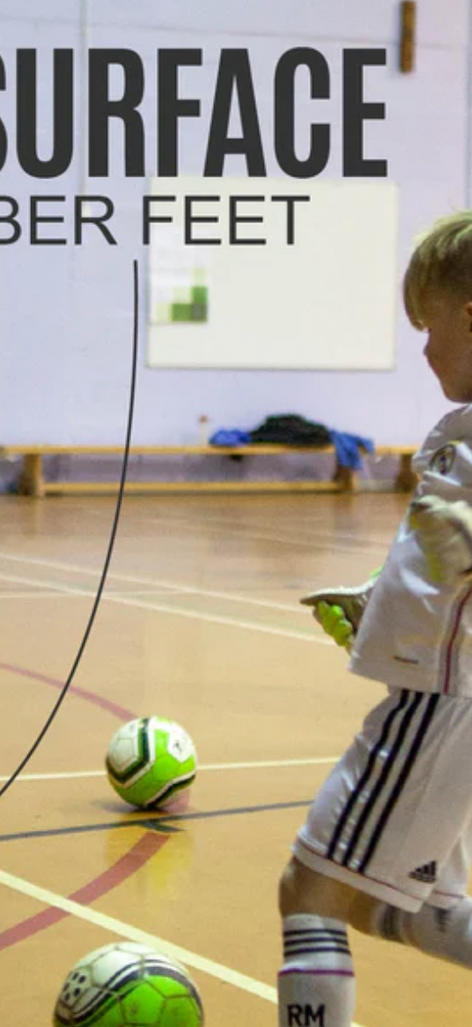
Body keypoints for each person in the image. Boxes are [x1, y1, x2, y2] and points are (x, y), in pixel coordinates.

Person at [287, 210, 472, 1027]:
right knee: (407, 905)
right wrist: (377, 607)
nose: (424, 350)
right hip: (447, 689)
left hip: (440, 704)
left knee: (311, 890)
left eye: (427, 327)